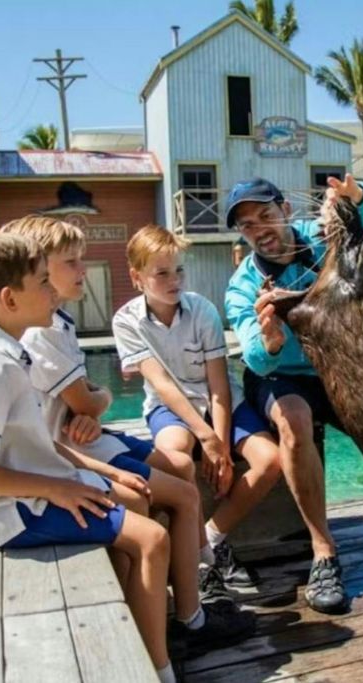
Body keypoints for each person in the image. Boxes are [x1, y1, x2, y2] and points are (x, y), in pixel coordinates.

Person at [0, 232, 176, 682]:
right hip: (4, 511)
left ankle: (132, 633)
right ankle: (158, 668)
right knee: (152, 540)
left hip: (26, 488)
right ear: (9, 299)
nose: (53, 290)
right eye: (42, 282)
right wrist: (58, 487)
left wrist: (93, 468)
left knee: (133, 498)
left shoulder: (6, 352)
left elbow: (32, 441)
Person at [0, 215, 253, 648]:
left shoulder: (58, 323)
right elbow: (89, 401)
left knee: (179, 468)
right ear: (37, 272)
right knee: (177, 490)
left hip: (85, 439)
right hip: (73, 451)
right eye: (72, 263)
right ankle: (189, 614)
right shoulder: (43, 334)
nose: (84, 270)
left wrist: (93, 402)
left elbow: (89, 400)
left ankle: (189, 582)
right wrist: (97, 401)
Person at [224, 175, 363, 614]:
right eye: (247, 225)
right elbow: (259, 361)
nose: (260, 229)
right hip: (281, 376)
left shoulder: (323, 242)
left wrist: (355, 195)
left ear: (285, 211)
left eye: (266, 215)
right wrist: (270, 337)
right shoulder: (242, 285)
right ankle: (324, 552)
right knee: (294, 420)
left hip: (334, 367)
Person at [113, 225, 283, 589]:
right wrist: (205, 437)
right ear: (136, 277)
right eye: (161, 273)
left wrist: (219, 446)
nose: (174, 280)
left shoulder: (202, 310)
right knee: (174, 458)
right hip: (169, 407)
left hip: (220, 403)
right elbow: (162, 385)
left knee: (271, 460)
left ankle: (211, 539)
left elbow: (219, 386)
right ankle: (200, 566)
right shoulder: (125, 321)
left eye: (179, 270)